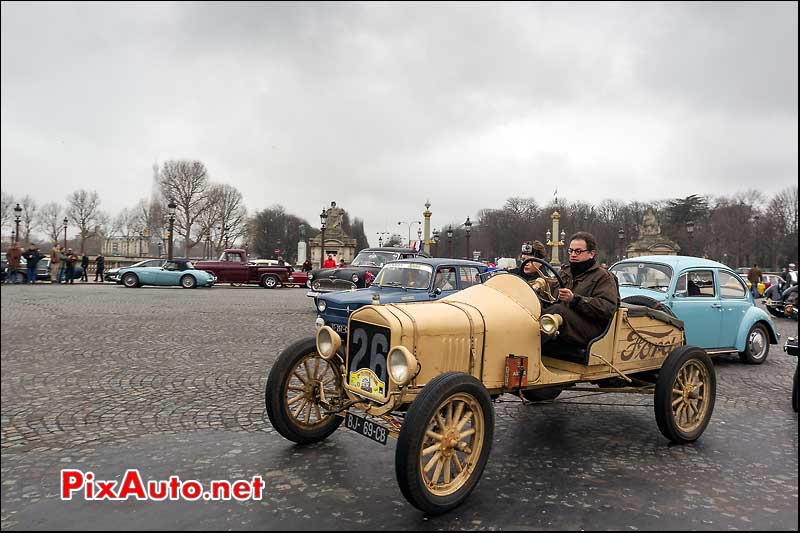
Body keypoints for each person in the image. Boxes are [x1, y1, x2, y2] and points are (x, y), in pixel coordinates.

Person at [543, 232, 619, 351]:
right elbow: (549, 295)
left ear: (591, 254)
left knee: (558, 310)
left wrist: (574, 300)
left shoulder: (603, 277)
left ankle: (525, 349)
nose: (573, 254)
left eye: (578, 251)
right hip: (563, 323)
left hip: (590, 328)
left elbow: (607, 308)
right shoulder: (565, 273)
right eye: (570, 251)